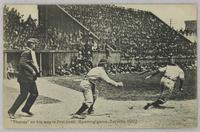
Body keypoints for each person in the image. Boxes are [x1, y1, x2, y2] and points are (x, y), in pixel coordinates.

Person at [8, 38, 39, 119]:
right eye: (34, 44)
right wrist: (32, 70)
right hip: (25, 78)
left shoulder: (30, 52)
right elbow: (22, 63)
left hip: (30, 78)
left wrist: (35, 70)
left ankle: (25, 109)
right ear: (31, 44)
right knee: (23, 95)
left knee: (34, 93)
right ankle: (11, 111)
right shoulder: (26, 52)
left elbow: (29, 63)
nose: (35, 45)